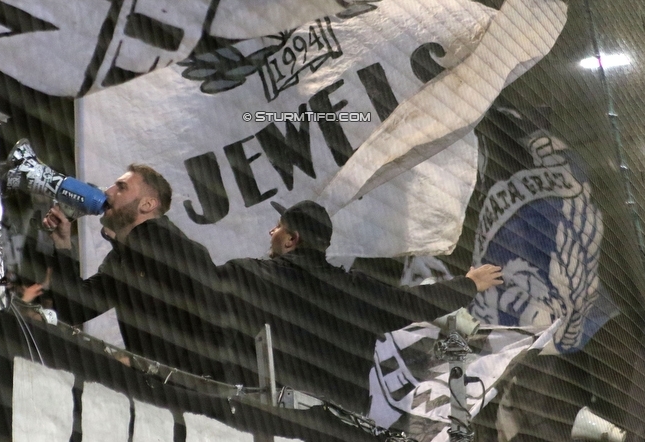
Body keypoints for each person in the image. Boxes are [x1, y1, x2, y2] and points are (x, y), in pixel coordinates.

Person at [218, 200, 503, 415]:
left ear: (292, 240)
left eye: (279, 226)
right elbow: (413, 303)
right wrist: (468, 284)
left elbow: (193, 282)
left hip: (268, 420)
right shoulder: (357, 292)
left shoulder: (249, 276)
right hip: (339, 425)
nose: (272, 231)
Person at [41, 164, 223, 378]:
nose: (108, 192)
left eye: (121, 187)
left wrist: (180, 381)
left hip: (187, 397)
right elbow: (74, 309)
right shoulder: (122, 259)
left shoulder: (177, 248)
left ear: (147, 204)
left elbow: (217, 327)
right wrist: (63, 245)